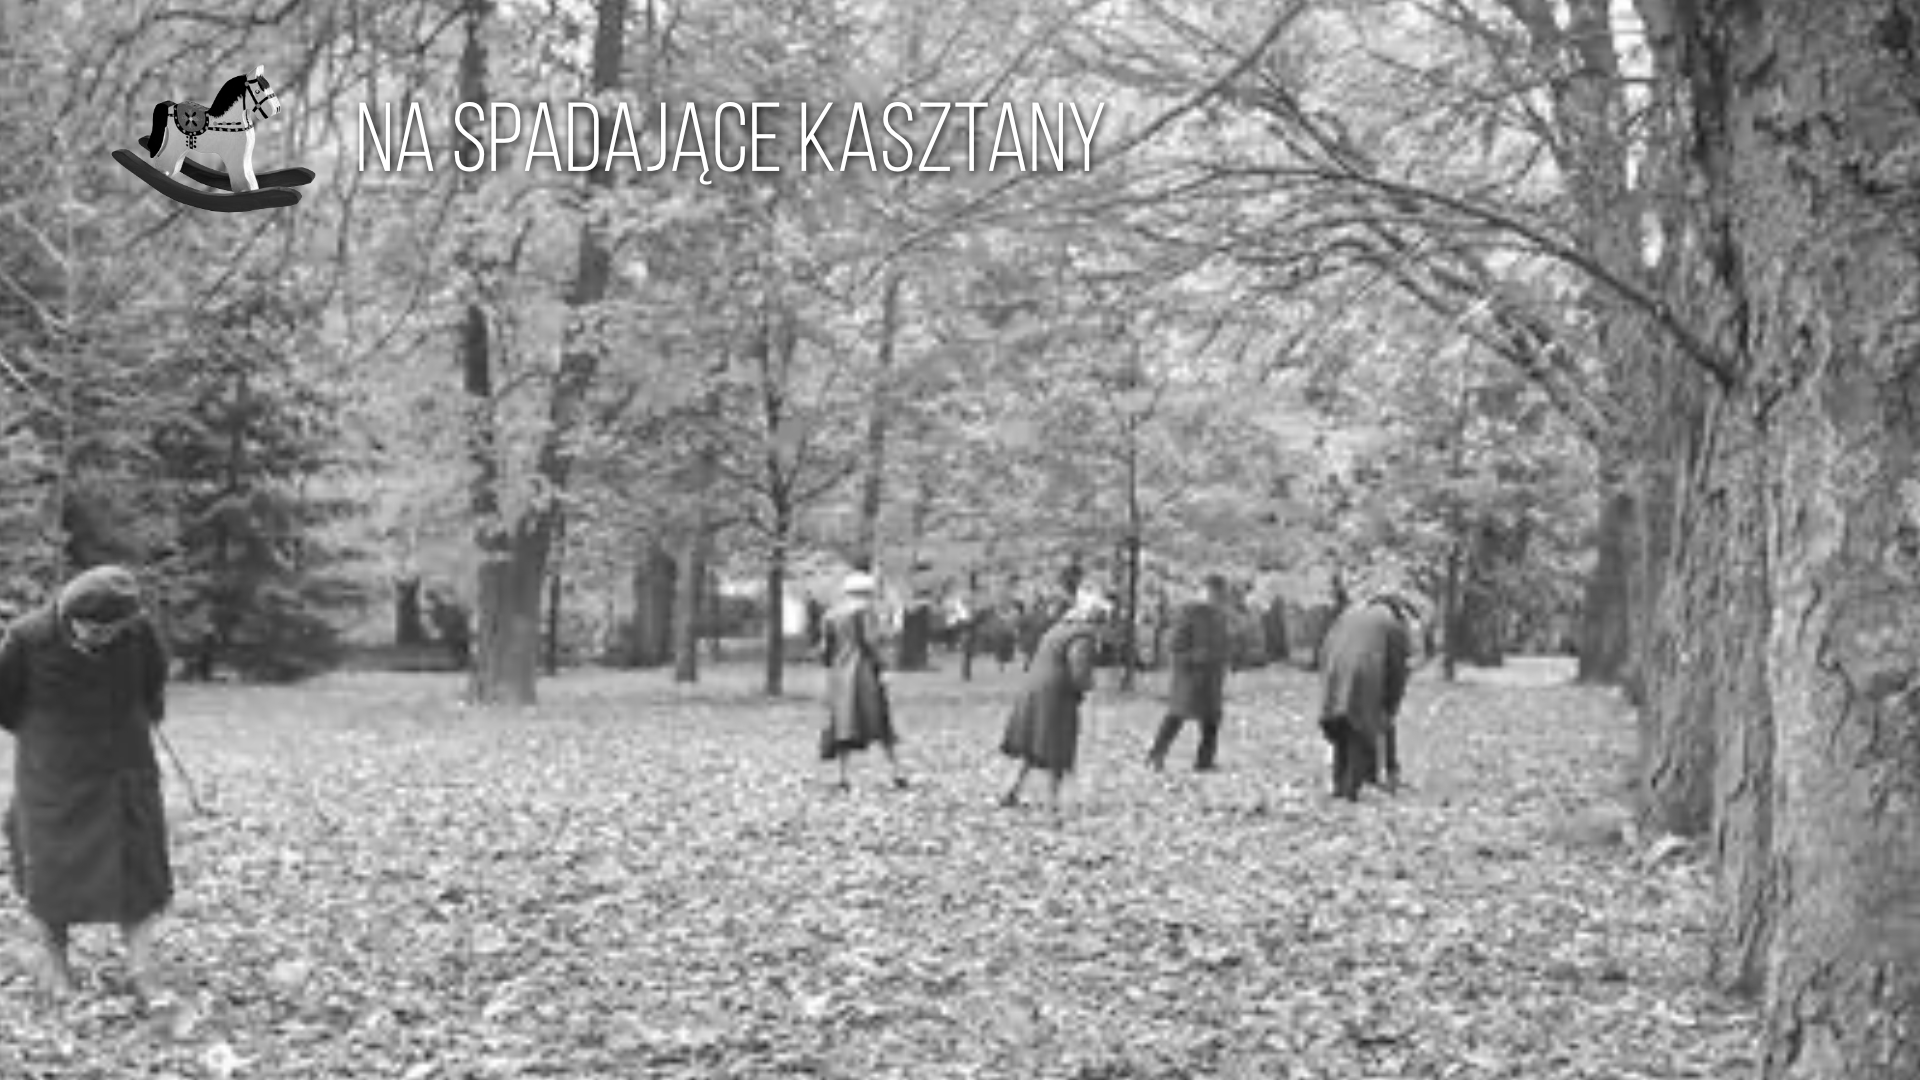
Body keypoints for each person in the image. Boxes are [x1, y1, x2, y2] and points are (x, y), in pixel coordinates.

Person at [0, 565, 173, 999]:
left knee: (138, 869)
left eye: (113, 630)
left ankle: (142, 968)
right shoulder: (26, 638)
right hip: (53, 775)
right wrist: (49, 735)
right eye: (93, 630)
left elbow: (153, 683)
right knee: (50, 874)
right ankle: (57, 966)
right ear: (67, 613)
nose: (103, 637)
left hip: (125, 767)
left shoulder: (139, 632)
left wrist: (136, 719)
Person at [999, 588, 1112, 812]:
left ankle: (1010, 791)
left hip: (1033, 689)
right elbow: (1078, 669)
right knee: (1057, 749)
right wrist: (1088, 685)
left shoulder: (1060, 628)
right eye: (1103, 620)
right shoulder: (1082, 636)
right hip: (1054, 697)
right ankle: (1052, 802)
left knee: (1032, 747)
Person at [1317, 592, 1417, 800]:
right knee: (1360, 733)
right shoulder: (1392, 624)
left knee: (1342, 731)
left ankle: (1339, 787)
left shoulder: (1351, 614)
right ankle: (1352, 792)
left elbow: (1326, 646)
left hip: (1334, 671)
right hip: (1364, 675)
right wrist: (1391, 706)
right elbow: (1397, 671)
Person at [818, 572, 907, 791]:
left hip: (839, 677)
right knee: (880, 722)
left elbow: (825, 650)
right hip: (864, 674)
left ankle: (843, 776)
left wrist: (833, 664)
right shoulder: (866, 612)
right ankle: (897, 772)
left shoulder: (831, 614)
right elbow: (871, 641)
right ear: (867, 592)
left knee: (843, 725)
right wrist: (884, 666)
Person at [1146, 574, 1234, 772]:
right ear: (1204, 591)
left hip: (1212, 677)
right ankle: (1155, 755)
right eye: (1213, 593)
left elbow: (1223, 643)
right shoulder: (1188, 613)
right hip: (1190, 678)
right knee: (1176, 716)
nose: (1217, 598)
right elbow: (1174, 647)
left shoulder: (1219, 616)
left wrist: (1226, 658)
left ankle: (1205, 761)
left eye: (1220, 594)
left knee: (1211, 721)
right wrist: (1194, 656)